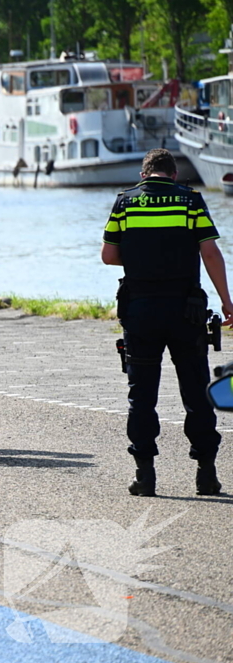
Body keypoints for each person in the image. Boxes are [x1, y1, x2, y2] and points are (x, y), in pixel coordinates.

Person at [101, 148, 233, 496]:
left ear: (144, 175)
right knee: (195, 392)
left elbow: (108, 255)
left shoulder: (125, 202)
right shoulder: (190, 201)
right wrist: (227, 300)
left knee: (141, 395)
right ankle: (207, 474)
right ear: (174, 175)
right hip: (185, 312)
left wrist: (145, 261)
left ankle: (145, 476)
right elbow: (209, 252)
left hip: (140, 311)